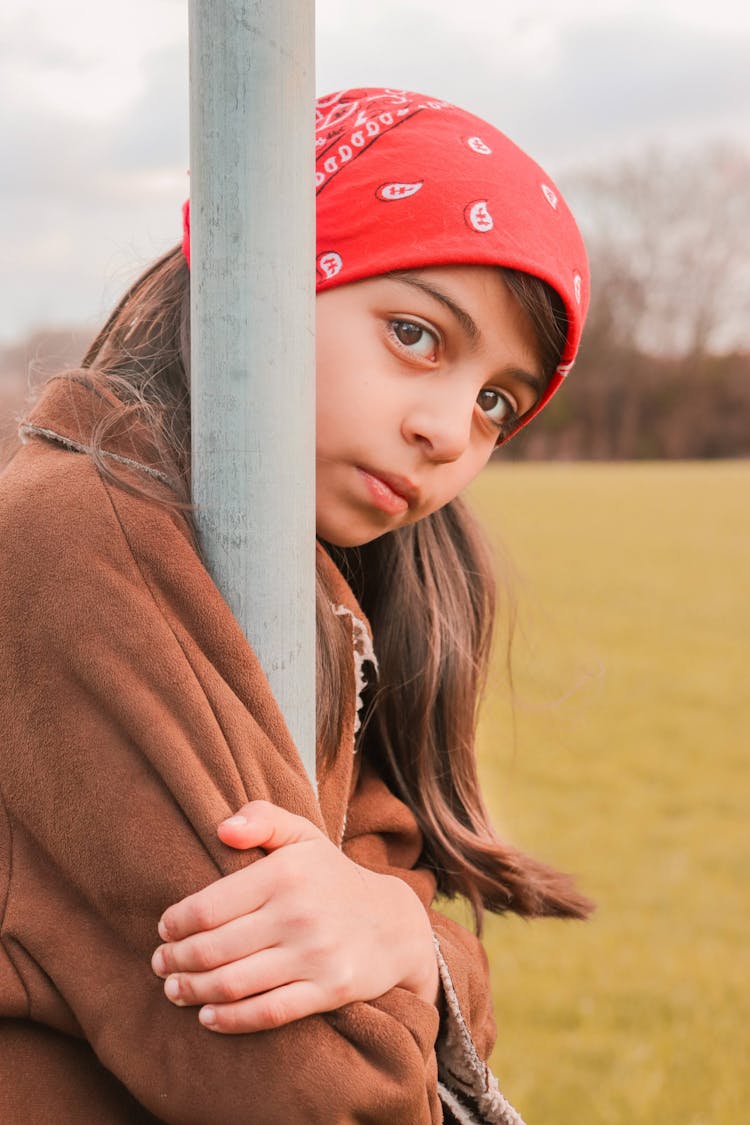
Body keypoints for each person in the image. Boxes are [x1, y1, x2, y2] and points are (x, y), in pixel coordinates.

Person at [0, 88, 591, 1124]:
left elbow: (399, 892)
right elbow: (299, 1073)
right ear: (259, 282)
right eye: (416, 332)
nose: (453, 432)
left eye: (500, 400)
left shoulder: (325, 584)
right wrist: (417, 969)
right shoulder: (74, 536)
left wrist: (406, 937)